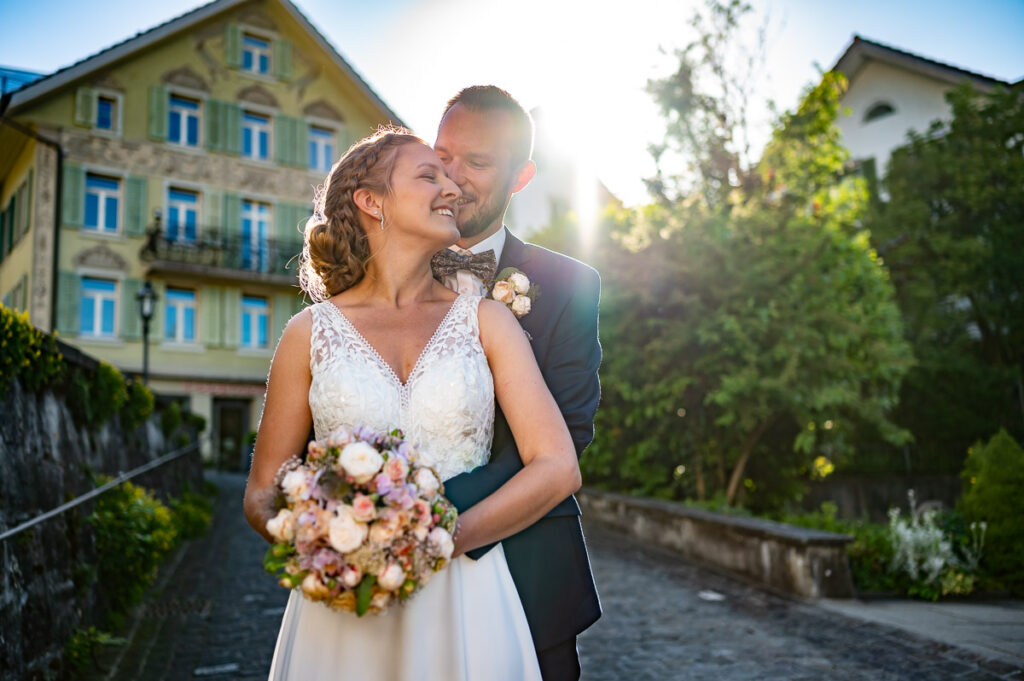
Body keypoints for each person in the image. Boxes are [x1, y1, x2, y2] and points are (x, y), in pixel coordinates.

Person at [243, 127, 581, 681]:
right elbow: (262, 492)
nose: (451, 188)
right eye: (430, 176)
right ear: (372, 201)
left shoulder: (486, 320)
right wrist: (328, 541)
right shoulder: (308, 334)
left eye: (449, 177)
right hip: (347, 599)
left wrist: (436, 539)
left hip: (469, 593)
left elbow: (557, 465)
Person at [432, 86, 602, 681]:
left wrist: (425, 518)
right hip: (392, 586)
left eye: (476, 163)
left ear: (520, 177)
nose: (450, 179)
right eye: (443, 155)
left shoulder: (569, 286)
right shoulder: (378, 277)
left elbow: (570, 429)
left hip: (531, 571)